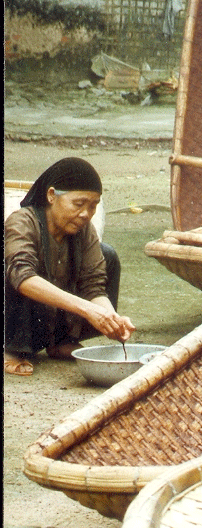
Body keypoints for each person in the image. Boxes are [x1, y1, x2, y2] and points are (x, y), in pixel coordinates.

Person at [5, 157, 135, 376]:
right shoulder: (22, 221)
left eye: (93, 207)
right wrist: (87, 309)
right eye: (78, 204)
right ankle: (12, 350)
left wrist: (112, 319)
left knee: (108, 256)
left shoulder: (83, 230)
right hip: (17, 322)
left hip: (51, 320)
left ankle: (63, 341)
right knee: (11, 270)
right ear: (51, 195)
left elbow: (94, 286)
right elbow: (23, 277)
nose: (86, 214)